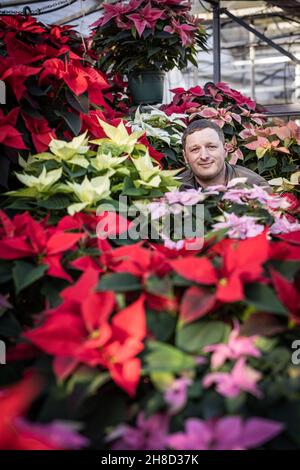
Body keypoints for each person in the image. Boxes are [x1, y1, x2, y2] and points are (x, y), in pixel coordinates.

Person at [179, 119, 272, 193]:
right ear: (185, 156)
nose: (204, 156)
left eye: (211, 147)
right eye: (195, 149)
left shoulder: (255, 186)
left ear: (225, 150)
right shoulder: (173, 189)